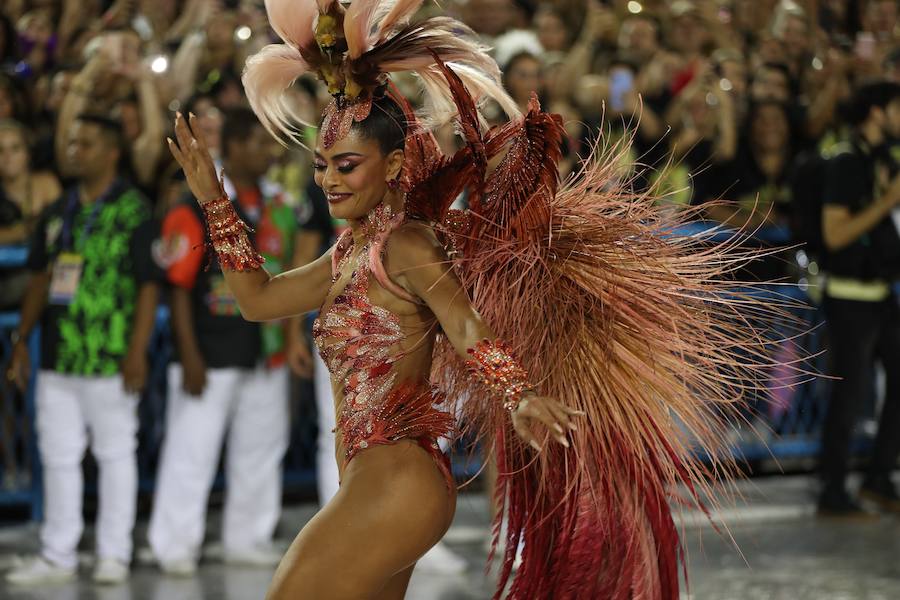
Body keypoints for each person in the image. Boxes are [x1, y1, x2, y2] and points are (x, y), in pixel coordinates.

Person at [169, 2, 793, 598]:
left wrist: (518, 394)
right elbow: (256, 298)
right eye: (321, 166)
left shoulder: (407, 246)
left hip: (398, 480)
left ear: (391, 168)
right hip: (373, 479)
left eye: (347, 164)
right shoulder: (346, 255)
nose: (329, 180)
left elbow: (466, 328)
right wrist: (213, 198)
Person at [5, 113, 161, 585]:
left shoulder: (135, 210)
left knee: (115, 453)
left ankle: (114, 553)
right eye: (72, 143)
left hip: (112, 358)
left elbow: (149, 286)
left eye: (87, 144)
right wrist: (21, 341)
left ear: (113, 152)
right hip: (58, 354)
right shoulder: (58, 211)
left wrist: (137, 351)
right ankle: (59, 553)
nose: (75, 151)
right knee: (57, 454)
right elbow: (38, 278)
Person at [147, 108, 298, 574]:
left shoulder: (279, 203)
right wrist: (189, 355)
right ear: (231, 148)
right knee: (191, 453)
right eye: (257, 142)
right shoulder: (194, 204)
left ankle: (247, 538)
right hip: (208, 354)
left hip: (263, 350)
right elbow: (178, 284)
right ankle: (174, 545)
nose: (268, 151)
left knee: (261, 450)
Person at [818, 81, 900, 517]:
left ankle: (879, 477)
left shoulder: (882, 158)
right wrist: (887, 200)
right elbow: (836, 234)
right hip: (849, 298)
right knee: (848, 396)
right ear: (876, 112)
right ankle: (833, 489)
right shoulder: (847, 161)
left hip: (881, 293)